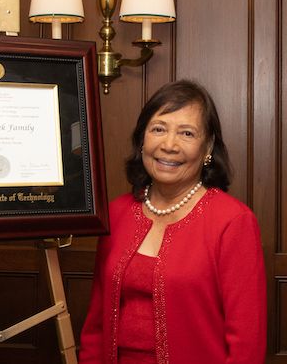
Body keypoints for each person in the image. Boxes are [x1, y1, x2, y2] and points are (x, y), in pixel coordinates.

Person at [78, 80, 266, 364]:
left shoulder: (233, 221)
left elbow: (247, 346)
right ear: (142, 139)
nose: (169, 145)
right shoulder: (116, 213)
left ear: (208, 147)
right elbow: (95, 324)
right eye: (158, 129)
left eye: (187, 133)